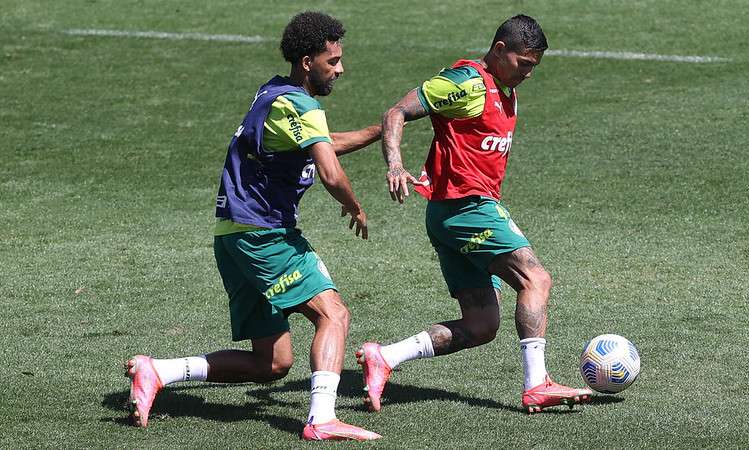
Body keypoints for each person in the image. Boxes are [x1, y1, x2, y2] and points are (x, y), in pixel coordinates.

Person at [126, 11, 381, 441]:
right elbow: (330, 172)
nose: (340, 69)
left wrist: (381, 129)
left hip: (231, 237)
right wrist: (355, 207)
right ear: (307, 61)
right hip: (265, 236)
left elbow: (322, 143)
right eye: (332, 61)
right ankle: (321, 420)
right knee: (333, 314)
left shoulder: (273, 93)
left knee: (273, 362)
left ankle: (158, 372)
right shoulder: (301, 104)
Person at [356, 14, 592, 414]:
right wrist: (395, 164)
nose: (529, 74)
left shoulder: (504, 88)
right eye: (524, 64)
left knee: (482, 325)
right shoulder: (465, 82)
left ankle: (385, 357)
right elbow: (395, 113)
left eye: (535, 67)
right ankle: (537, 384)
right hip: (466, 208)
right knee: (535, 278)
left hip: (454, 214)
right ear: (500, 50)